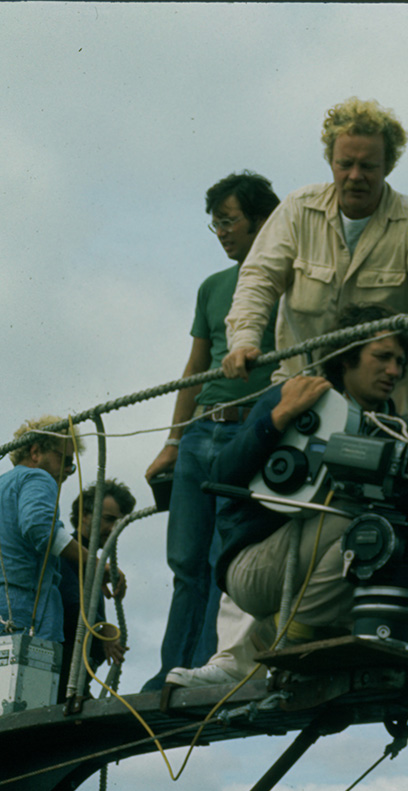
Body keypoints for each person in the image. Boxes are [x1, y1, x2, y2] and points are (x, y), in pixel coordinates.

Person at [167, 305, 408, 687]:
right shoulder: (298, 393)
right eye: (383, 357)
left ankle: (325, 648)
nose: (395, 371)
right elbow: (222, 473)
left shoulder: (396, 429)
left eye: (401, 361)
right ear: (347, 356)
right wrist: (277, 418)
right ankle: (282, 640)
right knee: (351, 520)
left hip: (327, 567)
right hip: (256, 568)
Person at [222, 96, 408, 415]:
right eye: (345, 164)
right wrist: (244, 340)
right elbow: (258, 280)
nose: (355, 175)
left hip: (382, 413)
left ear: (388, 165)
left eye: (368, 166)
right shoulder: (297, 210)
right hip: (297, 398)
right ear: (330, 161)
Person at [141, 172, 282, 691]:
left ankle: (208, 666)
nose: (221, 232)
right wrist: (173, 441)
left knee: (227, 556)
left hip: (250, 434)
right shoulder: (212, 287)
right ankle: (167, 672)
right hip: (201, 432)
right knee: (185, 559)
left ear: (263, 220)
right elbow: (196, 368)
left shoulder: (290, 282)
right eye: (215, 224)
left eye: (229, 221)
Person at [1, 417, 118, 644]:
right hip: (25, 609)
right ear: (35, 452)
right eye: (64, 460)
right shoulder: (38, 477)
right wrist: (94, 564)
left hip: (5, 607)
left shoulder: (4, 484)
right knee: (32, 678)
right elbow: (40, 528)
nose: (69, 471)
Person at [58, 479, 136, 703]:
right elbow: (69, 605)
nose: (114, 529)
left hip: (74, 683)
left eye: (120, 523)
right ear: (84, 515)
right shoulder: (67, 554)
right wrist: (103, 628)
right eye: (109, 519)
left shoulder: (91, 565)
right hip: (59, 682)